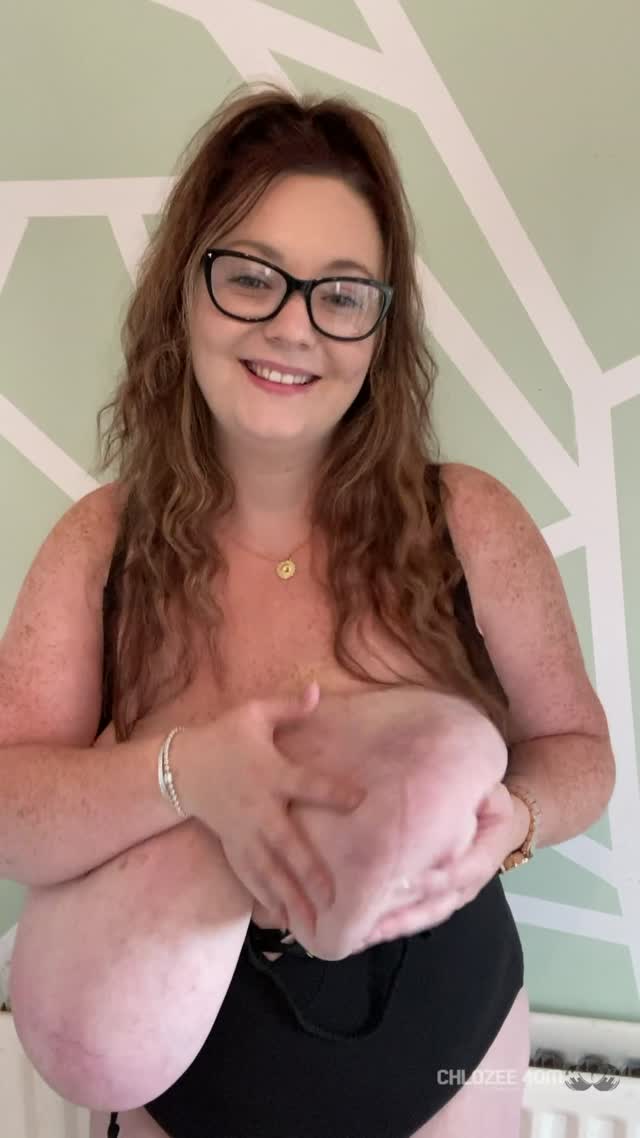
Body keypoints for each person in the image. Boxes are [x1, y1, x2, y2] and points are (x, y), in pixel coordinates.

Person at [1, 84, 614, 1138]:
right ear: (185, 291)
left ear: (380, 325)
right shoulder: (101, 544)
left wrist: (512, 821)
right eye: (251, 276)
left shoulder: (467, 520)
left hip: (451, 1053)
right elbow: (11, 807)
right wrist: (187, 772)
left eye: (340, 293)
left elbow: (579, 752)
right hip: (182, 1085)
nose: (293, 326)